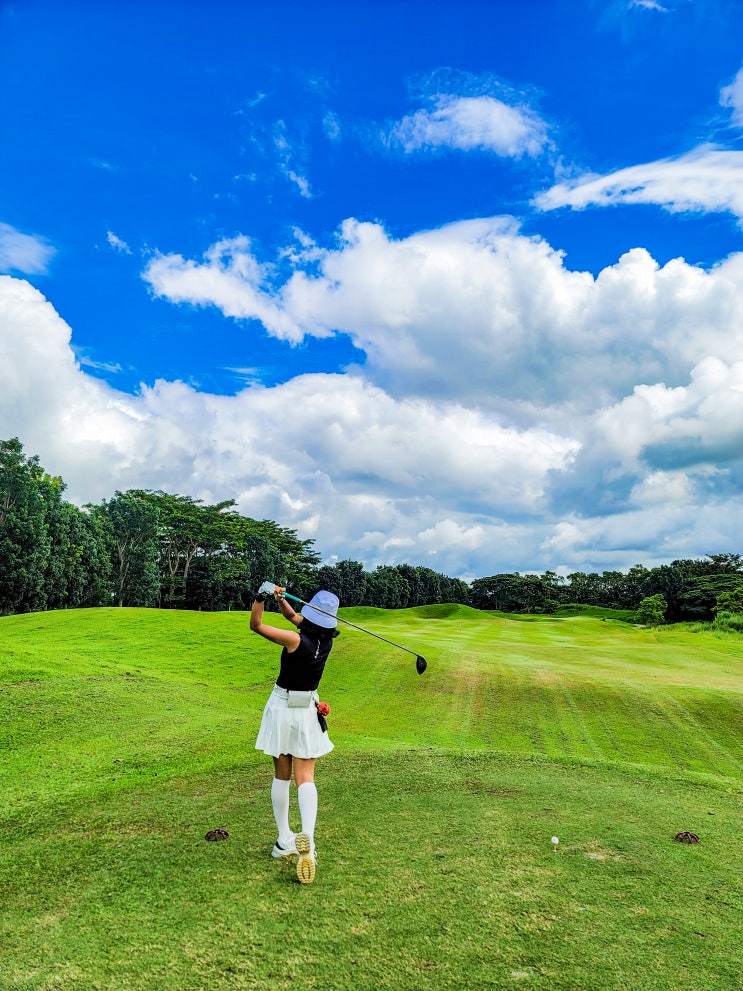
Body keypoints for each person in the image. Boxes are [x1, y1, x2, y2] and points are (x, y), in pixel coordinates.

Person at [251, 584, 339, 884]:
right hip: (306, 710)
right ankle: (308, 842)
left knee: (281, 775)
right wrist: (280, 599)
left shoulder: (293, 640)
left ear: (312, 613)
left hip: (281, 707)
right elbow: (294, 617)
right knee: (306, 777)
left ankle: (284, 840)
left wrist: (260, 597)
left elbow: (256, 625)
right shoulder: (324, 642)